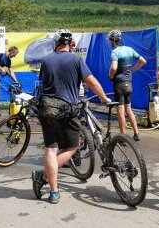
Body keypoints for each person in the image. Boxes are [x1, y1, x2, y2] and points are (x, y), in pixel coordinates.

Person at [32, 29, 111, 204]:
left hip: (46, 109)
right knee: (72, 147)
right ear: (71, 44)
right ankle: (42, 176)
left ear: (56, 43)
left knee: (51, 149)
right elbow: (91, 81)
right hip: (67, 109)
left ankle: (53, 192)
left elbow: (45, 83)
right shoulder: (76, 60)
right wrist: (104, 98)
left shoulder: (46, 60)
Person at [107, 29, 146, 141]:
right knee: (129, 109)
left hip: (119, 84)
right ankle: (136, 133)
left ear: (112, 40)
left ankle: (123, 137)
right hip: (129, 83)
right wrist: (132, 71)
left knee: (120, 111)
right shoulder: (129, 49)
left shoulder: (115, 52)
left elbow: (114, 68)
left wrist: (110, 76)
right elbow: (143, 61)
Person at [0, 46, 19, 115]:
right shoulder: (1, 52)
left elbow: (11, 72)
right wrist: (1, 69)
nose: (14, 56)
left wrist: (16, 82)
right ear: (12, 52)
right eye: (15, 55)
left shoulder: (8, 61)